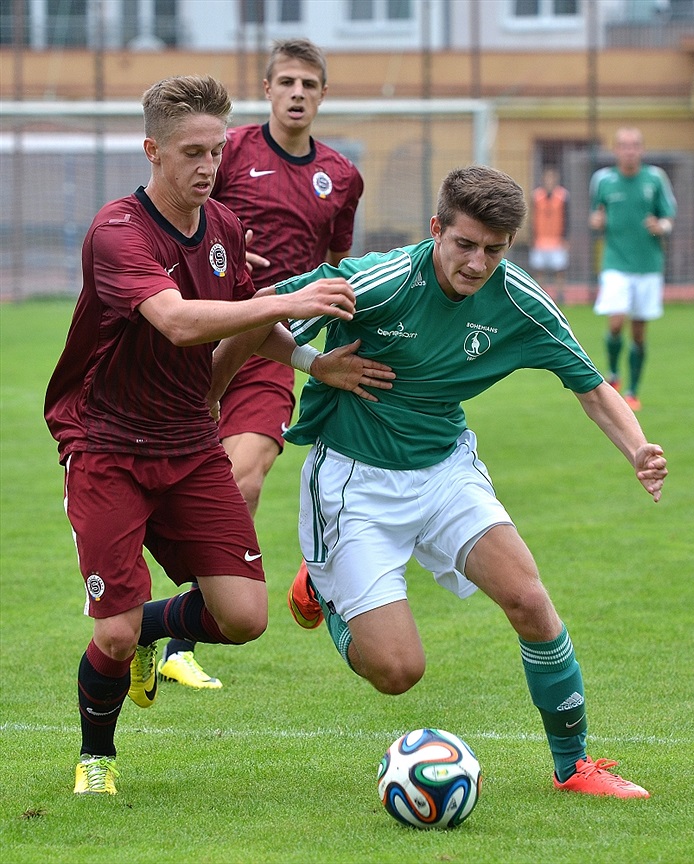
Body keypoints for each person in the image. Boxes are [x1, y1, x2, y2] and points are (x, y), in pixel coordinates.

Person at [239, 165, 666, 799]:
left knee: (529, 599)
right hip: (356, 482)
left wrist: (638, 450)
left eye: (494, 250)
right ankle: (326, 589)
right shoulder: (376, 283)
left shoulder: (519, 302)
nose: (476, 263)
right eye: (465, 244)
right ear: (437, 229)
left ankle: (574, 766)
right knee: (397, 671)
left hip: (445, 471)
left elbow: (591, 387)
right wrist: (313, 363)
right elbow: (254, 319)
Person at [43, 74, 393, 796]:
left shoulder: (226, 229)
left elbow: (246, 322)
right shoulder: (118, 231)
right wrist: (290, 296)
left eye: (215, 152)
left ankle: (145, 629)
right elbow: (176, 321)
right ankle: (96, 758)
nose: (208, 167)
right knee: (109, 635)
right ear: (153, 152)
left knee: (244, 617)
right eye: (192, 154)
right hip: (107, 444)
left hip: (187, 442)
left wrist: (309, 359)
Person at [158, 38, 365, 690]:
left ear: (322, 94)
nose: (297, 92)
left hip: (275, 346)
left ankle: (176, 640)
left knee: (243, 479)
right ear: (268, 90)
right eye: (286, 82)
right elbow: (180, 216)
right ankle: (142, 609)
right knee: (161, 481)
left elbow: (335, 265)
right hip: (203, 333)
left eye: (309, 82)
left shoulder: (342, 176)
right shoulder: (229, 152)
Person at [589, 126, 677, 412]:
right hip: (615, 262)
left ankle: (633, 390)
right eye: (624, 145)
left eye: (635, 145)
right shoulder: (603, 180)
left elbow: (668, 217)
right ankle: (613, 375)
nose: (630, 150)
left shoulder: (654, 179)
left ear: (641, 149)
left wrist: (660, 227)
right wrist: (597, 222)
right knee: (616, 322)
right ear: (616, 150)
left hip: (648, 265)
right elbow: (596, 215)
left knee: (639, 332)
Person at [529, 166, 569, 304]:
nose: (550, 181)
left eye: (552, 178)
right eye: (547, 178)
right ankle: (540, 295)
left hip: (557, 239)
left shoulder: (563, 196)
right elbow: (531, 218)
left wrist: (566, 238)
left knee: (560, 269)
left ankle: (560, 295)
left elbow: (567, 217)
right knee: (539, 270)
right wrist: (532, 237)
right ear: (543, 180)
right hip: (540, 239)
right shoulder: (536, 196)